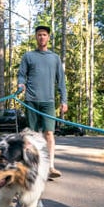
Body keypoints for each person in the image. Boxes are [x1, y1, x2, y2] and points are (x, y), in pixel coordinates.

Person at [18, 25, 68, 178]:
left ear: (48, 37)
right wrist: (21, 84)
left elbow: (61, 81)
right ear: (36, 37)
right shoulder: (28, 56)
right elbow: (21, 74)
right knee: (31, 135)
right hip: (31, 100)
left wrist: (63, 100)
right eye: (39, 35)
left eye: (44, 35)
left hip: (49, 102)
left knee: (49, 134)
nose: (42, 37)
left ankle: (50, 166)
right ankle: (31, 165)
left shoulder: (55, 58)